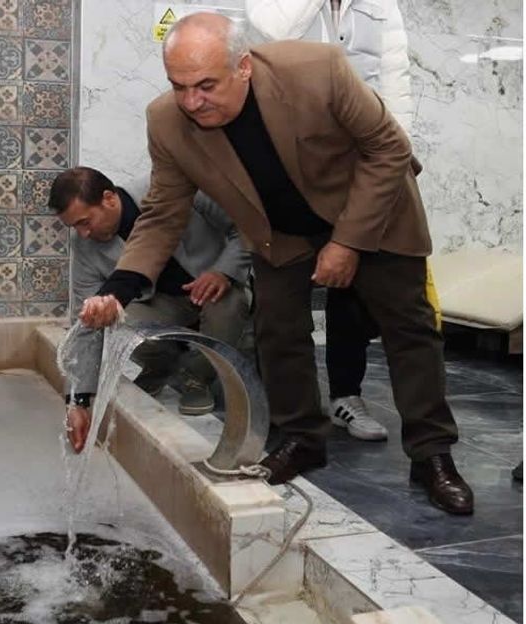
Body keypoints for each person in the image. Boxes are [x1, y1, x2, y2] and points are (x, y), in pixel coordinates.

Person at [78, 13, 473, 514]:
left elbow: (389, 148)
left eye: (206, 86)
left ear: (243, 66)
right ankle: (302, 438)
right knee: (277, 330)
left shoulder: (318, 70)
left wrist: (347, 243)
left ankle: (432, 454)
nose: (192, 102)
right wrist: (118, 290)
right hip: (280, 230)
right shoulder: (166, 121)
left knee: (409, 330)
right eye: (179, 87)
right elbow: (162, 214)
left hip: (374, 210)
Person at [245, 0, 441, 442]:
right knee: (281, 311)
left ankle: (348, 398)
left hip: (365, 160)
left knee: (366, 298)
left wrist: (399, 158)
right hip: (295, 162)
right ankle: (293, 424)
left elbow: (395, 79)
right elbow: (271, 31)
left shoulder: (381, 5)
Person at [49, 166, 251, 452]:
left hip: (216, 288)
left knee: (228, 306)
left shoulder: (171, 186)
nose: (83, 234)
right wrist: (77, 400)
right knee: (115, 320)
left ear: (108, 199)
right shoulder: (84, 245)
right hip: (163, 303)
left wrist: (224, 272)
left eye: (85, 222)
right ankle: (160, 364)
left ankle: (198, 376)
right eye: (75, 227)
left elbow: (245, 228)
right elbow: (86, 322)